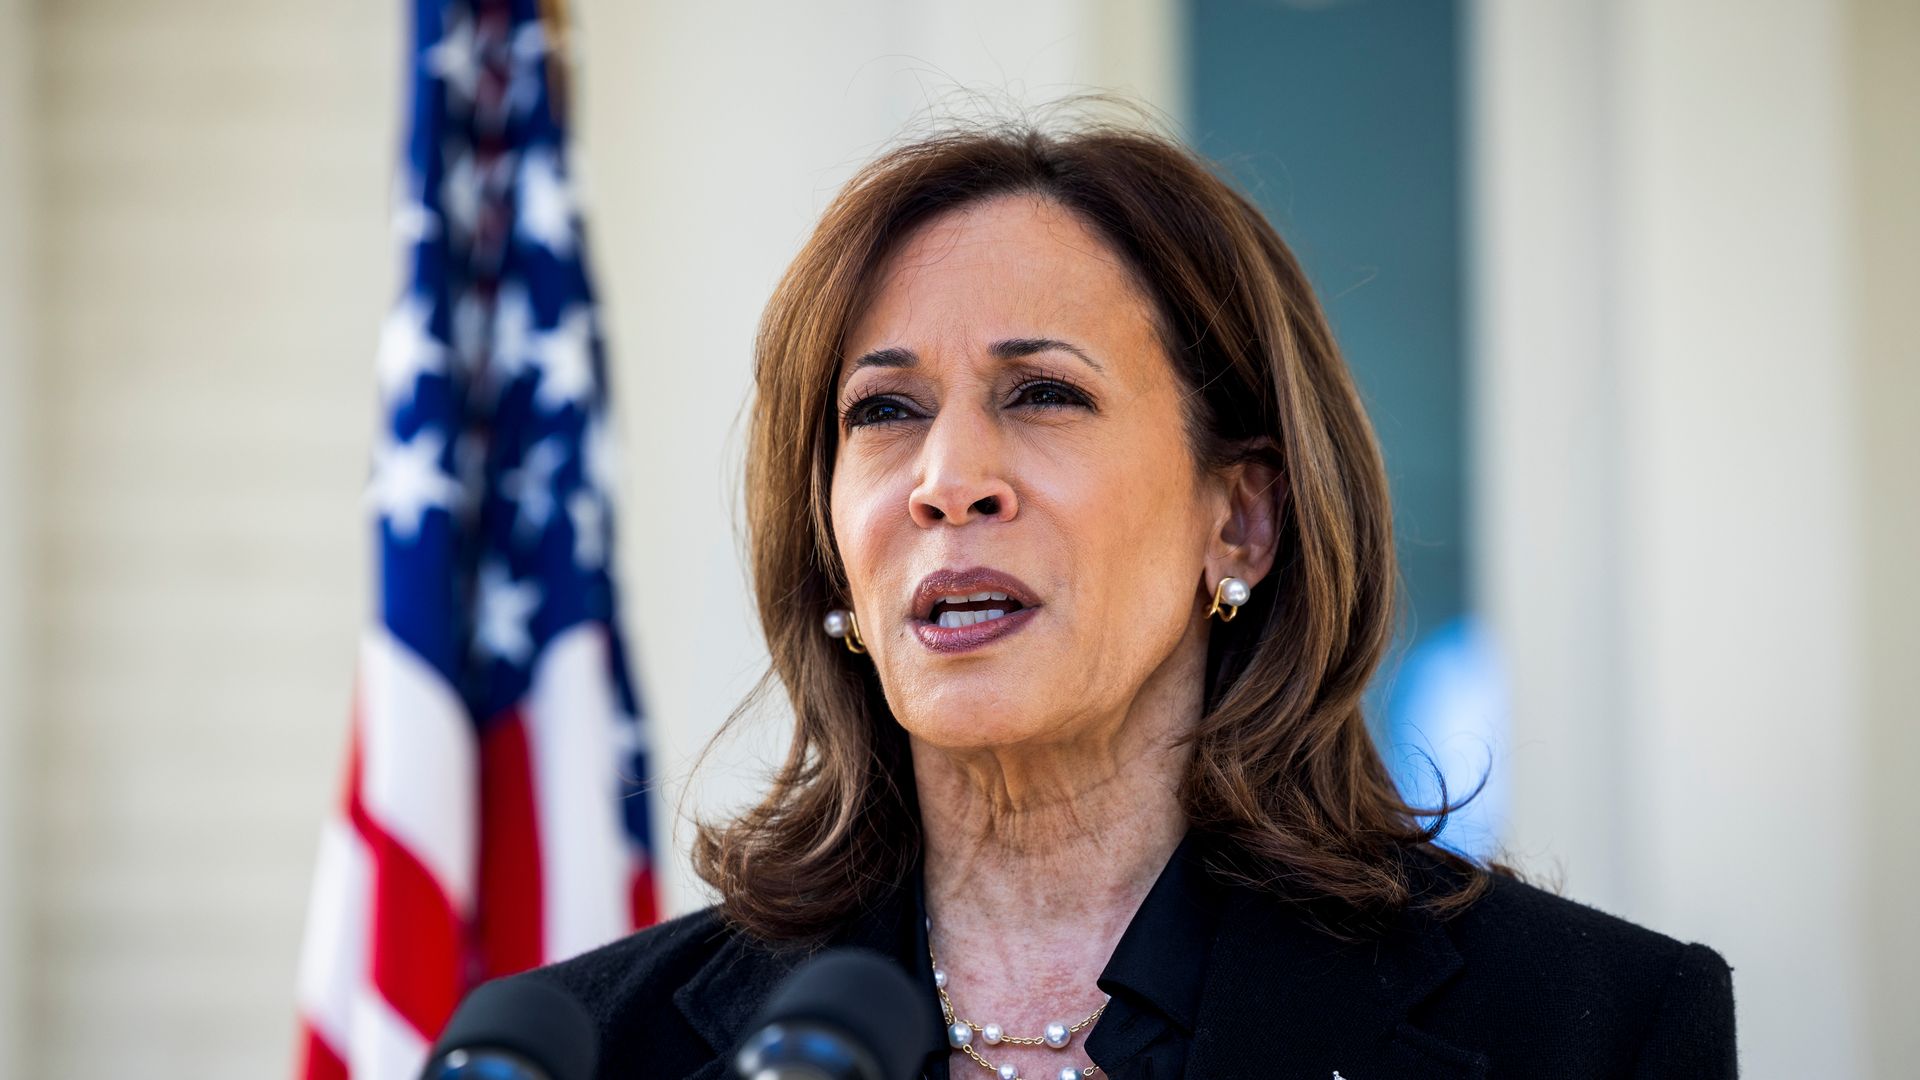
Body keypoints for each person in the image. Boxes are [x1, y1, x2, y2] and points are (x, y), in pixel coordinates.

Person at [513, 119, 1737, 1079]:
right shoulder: (588, 1048)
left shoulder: (1589, 1033)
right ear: (833, 547)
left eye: (1042, 392)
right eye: (884, 412)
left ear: (1240, 519)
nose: (948, 482)